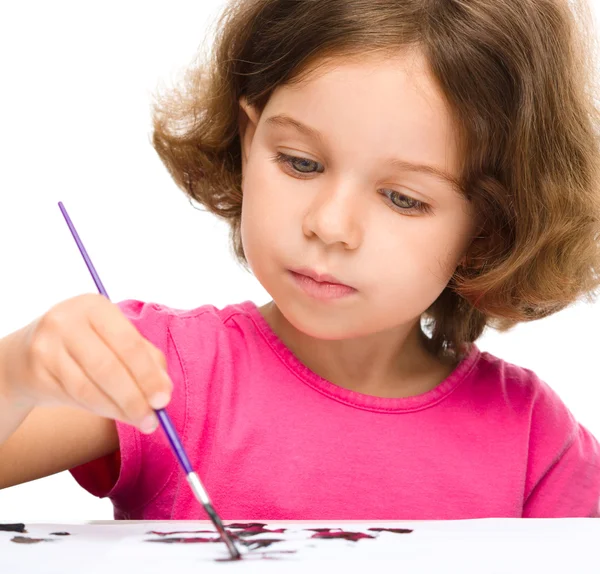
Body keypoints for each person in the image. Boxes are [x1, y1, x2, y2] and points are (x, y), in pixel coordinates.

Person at [1, 0, 600, 520]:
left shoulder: (533, 442)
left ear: (490, 227)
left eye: (403, 198)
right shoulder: (160, 373)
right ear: (248, 138)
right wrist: (17, 372)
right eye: (301, 163)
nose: (330, 225)